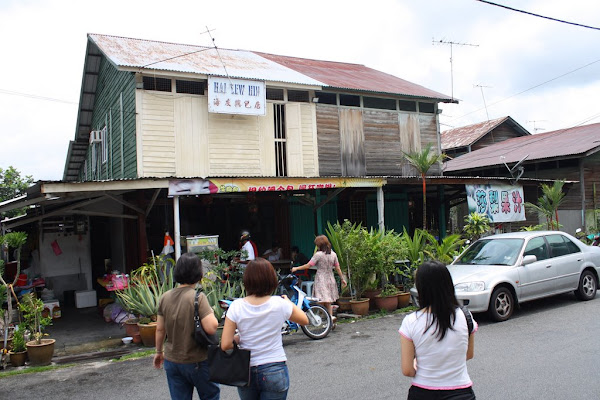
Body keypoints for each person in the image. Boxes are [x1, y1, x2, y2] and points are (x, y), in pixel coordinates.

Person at [221, 258, 309, 400]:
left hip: (246, 371)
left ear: (247, 280)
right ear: (271, 279)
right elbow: (304, 320)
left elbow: (225, 344)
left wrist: (238, 338)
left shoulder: (236, 306)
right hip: (274, 368)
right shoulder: (279, 303)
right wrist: (288, 302)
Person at [399, 261, 477, 400]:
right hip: (461, 393)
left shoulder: (410, 321)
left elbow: (407, 370)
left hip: (423, 393)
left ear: (421, 288)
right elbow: (469, 354)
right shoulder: (465, 316)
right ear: (448, 284)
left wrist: (420, 365)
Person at [153, 252, 220, 400]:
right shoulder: (198, 297)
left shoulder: (165, 297)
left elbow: (160, 329)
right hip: (197, 360)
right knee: (210, 396)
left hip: (172, 361)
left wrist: (158, 352)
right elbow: (211, 327)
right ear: (198, 273)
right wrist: (212, 312)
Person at [291, 235, 346, 322]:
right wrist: (342, 278)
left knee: (320, 299)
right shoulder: (333, 254)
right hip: (330, 278)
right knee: (328, 300)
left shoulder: (318, 255)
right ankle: (330, 318)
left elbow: (309, 265)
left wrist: (296, 268)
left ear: (319, 245)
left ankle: (320, 317)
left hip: (321, 278)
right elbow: (337, 268)